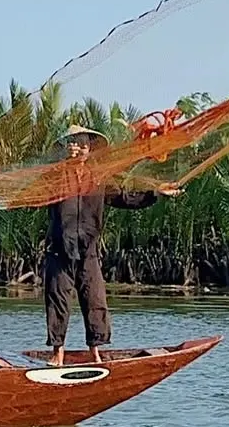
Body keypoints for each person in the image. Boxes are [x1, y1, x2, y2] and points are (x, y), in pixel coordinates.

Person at [44, 124, 179, 366]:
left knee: (94, 300)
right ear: (67, 147)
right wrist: (64, 163)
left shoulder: (98, 178)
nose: (81, 148)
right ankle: (58, 352)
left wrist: (156, 193)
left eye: (85, 144)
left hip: (89, 250)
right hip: (60, 248)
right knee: (57, 300)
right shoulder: (54, 176)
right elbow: (32, 186)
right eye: (75, 143)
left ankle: (95, 352)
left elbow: (126, 198)